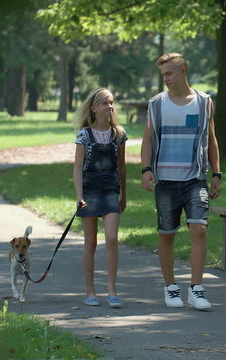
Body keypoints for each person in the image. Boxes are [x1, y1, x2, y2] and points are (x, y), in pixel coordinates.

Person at [141, 53, 222, 311]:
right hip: (165, 180)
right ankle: (171, 288)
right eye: (163, 74)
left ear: (183, 70)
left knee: (199, 229)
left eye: (169, 73)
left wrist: (217, 172)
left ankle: (197, 289)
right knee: (167, 235)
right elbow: (148, 139)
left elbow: (211, 138)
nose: (165, 79)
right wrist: (146, 169)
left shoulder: (204, 102)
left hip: (195, 179)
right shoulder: (156, 104)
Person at [73, 88, 127, 308]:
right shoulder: (84, 135)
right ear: (94, 108)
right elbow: (77, 169)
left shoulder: (119, 134)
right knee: (91, 243)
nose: (110, 107)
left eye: (112, 102)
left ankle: (112, 290)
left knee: (112, 238)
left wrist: (124, 195)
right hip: (89, 192)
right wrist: (79, 196)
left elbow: (122, 167)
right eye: (105, 103)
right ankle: (90, 291)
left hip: (110, 192)